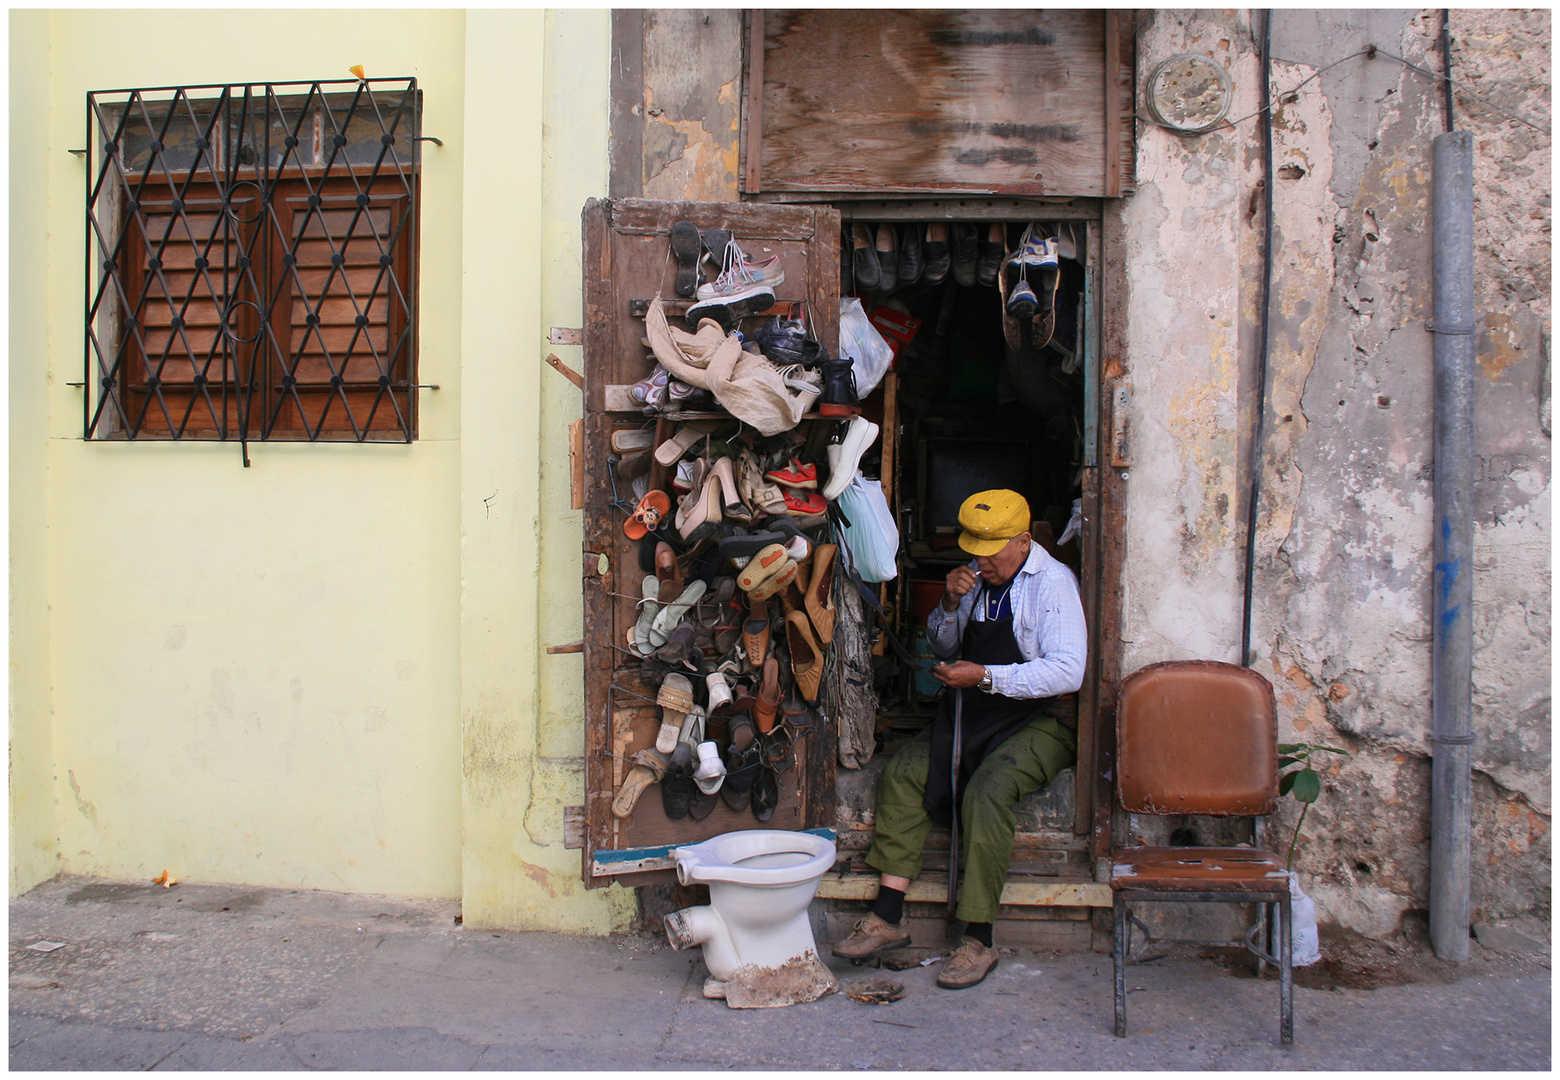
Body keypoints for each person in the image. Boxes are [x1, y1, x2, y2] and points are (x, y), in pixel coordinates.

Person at [832, 489, 1086, 989]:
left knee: (988, 790)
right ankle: (887, 917)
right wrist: (948, 604)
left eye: (990, 550)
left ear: (1024, 541)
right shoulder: (975, 582)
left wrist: (986, 677)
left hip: (1040, 719)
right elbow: (945, 644)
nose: (980, 560)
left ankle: (978, 938)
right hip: (975, 709)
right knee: (905, 772)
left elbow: (1067, 672)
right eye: (974, 548)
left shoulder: (1052, 584)